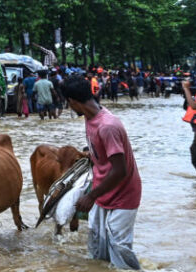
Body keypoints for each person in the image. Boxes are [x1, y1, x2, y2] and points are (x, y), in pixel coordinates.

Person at [62, 76, 142, 270]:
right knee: (98, 247)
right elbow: (104, 154)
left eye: (67, 103)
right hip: (103, 190)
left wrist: (91, 196)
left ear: (73, 101)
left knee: (119, 249)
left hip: (123, 194)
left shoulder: (107, 126)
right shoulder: (91, 118)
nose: (68, 107)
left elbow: (120, 170)